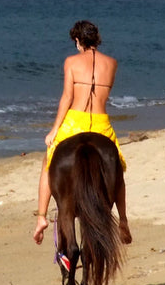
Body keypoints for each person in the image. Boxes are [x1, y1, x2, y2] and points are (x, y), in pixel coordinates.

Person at [32, 19, 132, 246]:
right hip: (101, 123)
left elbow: (67, 97)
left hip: (75, 122)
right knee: (118, 169)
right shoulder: (112, 63)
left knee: (48, 160)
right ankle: (123, 220)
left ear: (78, 41)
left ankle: (41, 218)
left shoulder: (71, 62)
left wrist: (54, 130)